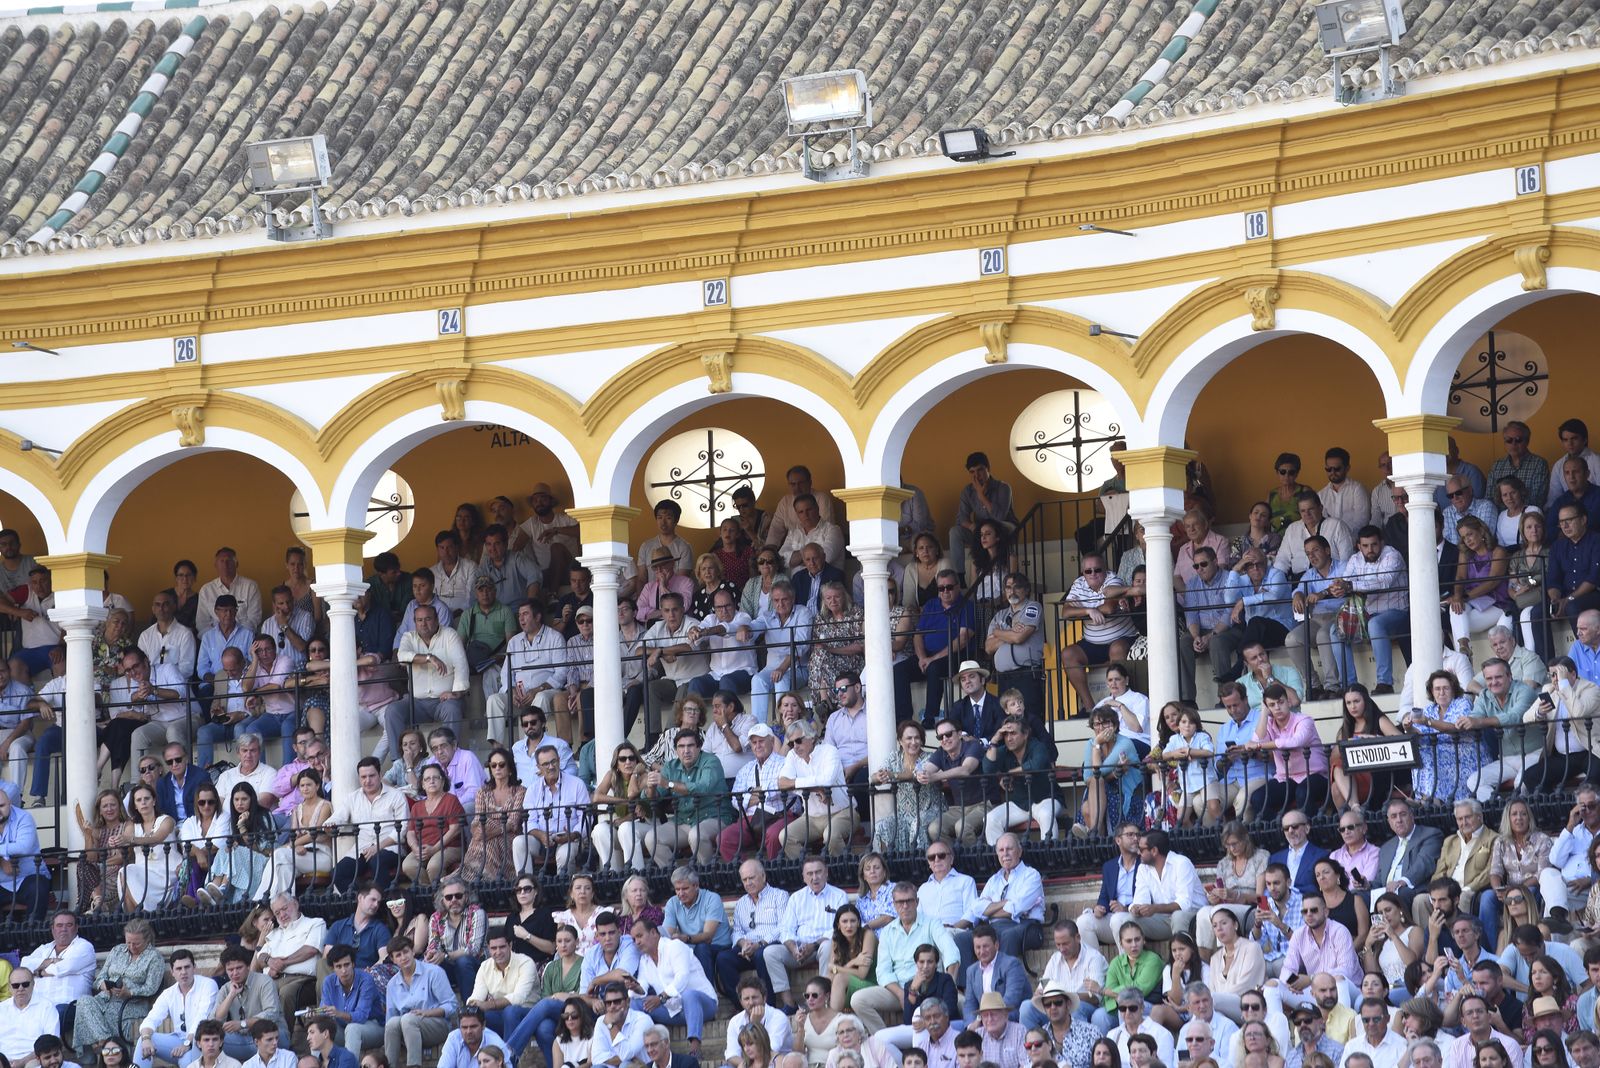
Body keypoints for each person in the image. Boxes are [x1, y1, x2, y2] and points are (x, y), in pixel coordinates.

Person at [766, 857, 850, 1011]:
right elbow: (786, 929)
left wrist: (814, 945)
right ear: (804, 877)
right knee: (770, 952)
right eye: (810, 874)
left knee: (829, 946)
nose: (814, 877)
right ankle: (789, 1004)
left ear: (826, 873)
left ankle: (823, 1000)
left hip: (822, 946)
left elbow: (840, 928)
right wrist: (794, 949)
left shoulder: (839, 895)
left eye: (818, 872)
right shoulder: (796, 898)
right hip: (800, 948)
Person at [330, 759, 409, 892]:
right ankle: (361, 901)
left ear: (380, 775)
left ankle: (383, 901)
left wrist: (378, 847)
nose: (367, 781)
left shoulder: (396, 795)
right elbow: (338, 817)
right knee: (337, 873)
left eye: (371, 776)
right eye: (363, 777)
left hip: (390, 848)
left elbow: (402, 828)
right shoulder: (353, 798)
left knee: (376, 861)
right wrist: (329, 824)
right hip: (362, 850)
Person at [1404, 672, 1483, 803]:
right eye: (1437, 689)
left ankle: (1433, 800)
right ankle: (1425, 798)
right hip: (1439, 753)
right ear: (1432, 692)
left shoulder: (1463, 704)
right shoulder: (1429, 709)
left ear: (1453, 689)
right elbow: (1420, 735)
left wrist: (1428, 721)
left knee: (1432, 755)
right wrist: (1408, 727)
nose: (1441, 692)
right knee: (1422, 752)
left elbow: (1455, 727)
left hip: (1464, 753)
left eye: (1446, 688)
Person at [382, 935, 457, 1068]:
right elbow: (391, 1018)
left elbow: (452, 1005)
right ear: (393, 960)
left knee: (408, 1019)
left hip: (437, 1026)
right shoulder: (392, 984)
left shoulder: (434, 972)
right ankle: (389, 1065)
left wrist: (427, 1013)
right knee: (392, 1023)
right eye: (398, 955)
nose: (403, 957)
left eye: (406, 952)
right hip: (407, 1030)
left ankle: (414, 1065)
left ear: (413, 952)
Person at [208, 946, 287, 1063]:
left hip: (272, 1037)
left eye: (239, 968)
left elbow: (272, 1014)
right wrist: (231, 995)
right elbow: (214, 1021)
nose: (235, 973)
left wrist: (242, 1024)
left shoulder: (264, 981)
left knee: (269, 1039)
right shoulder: (225, 989)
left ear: (248, 966)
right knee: (205, 1040)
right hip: (243, 1040)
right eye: (230, 970)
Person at [318, 945, 383, 1054]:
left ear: (353, 964)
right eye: (338, 966)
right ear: (333, 968)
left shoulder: (366, 980)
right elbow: (324, 1012)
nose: (344, 970)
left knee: (352, 1029)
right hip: (344, 1030)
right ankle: (316, 1062)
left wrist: (338, 1014)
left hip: (372, 1027)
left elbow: (361, 1016)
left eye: (346, 965)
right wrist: (315, 1015)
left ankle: (349, 1062)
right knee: (318, 1029)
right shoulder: (328, 982)